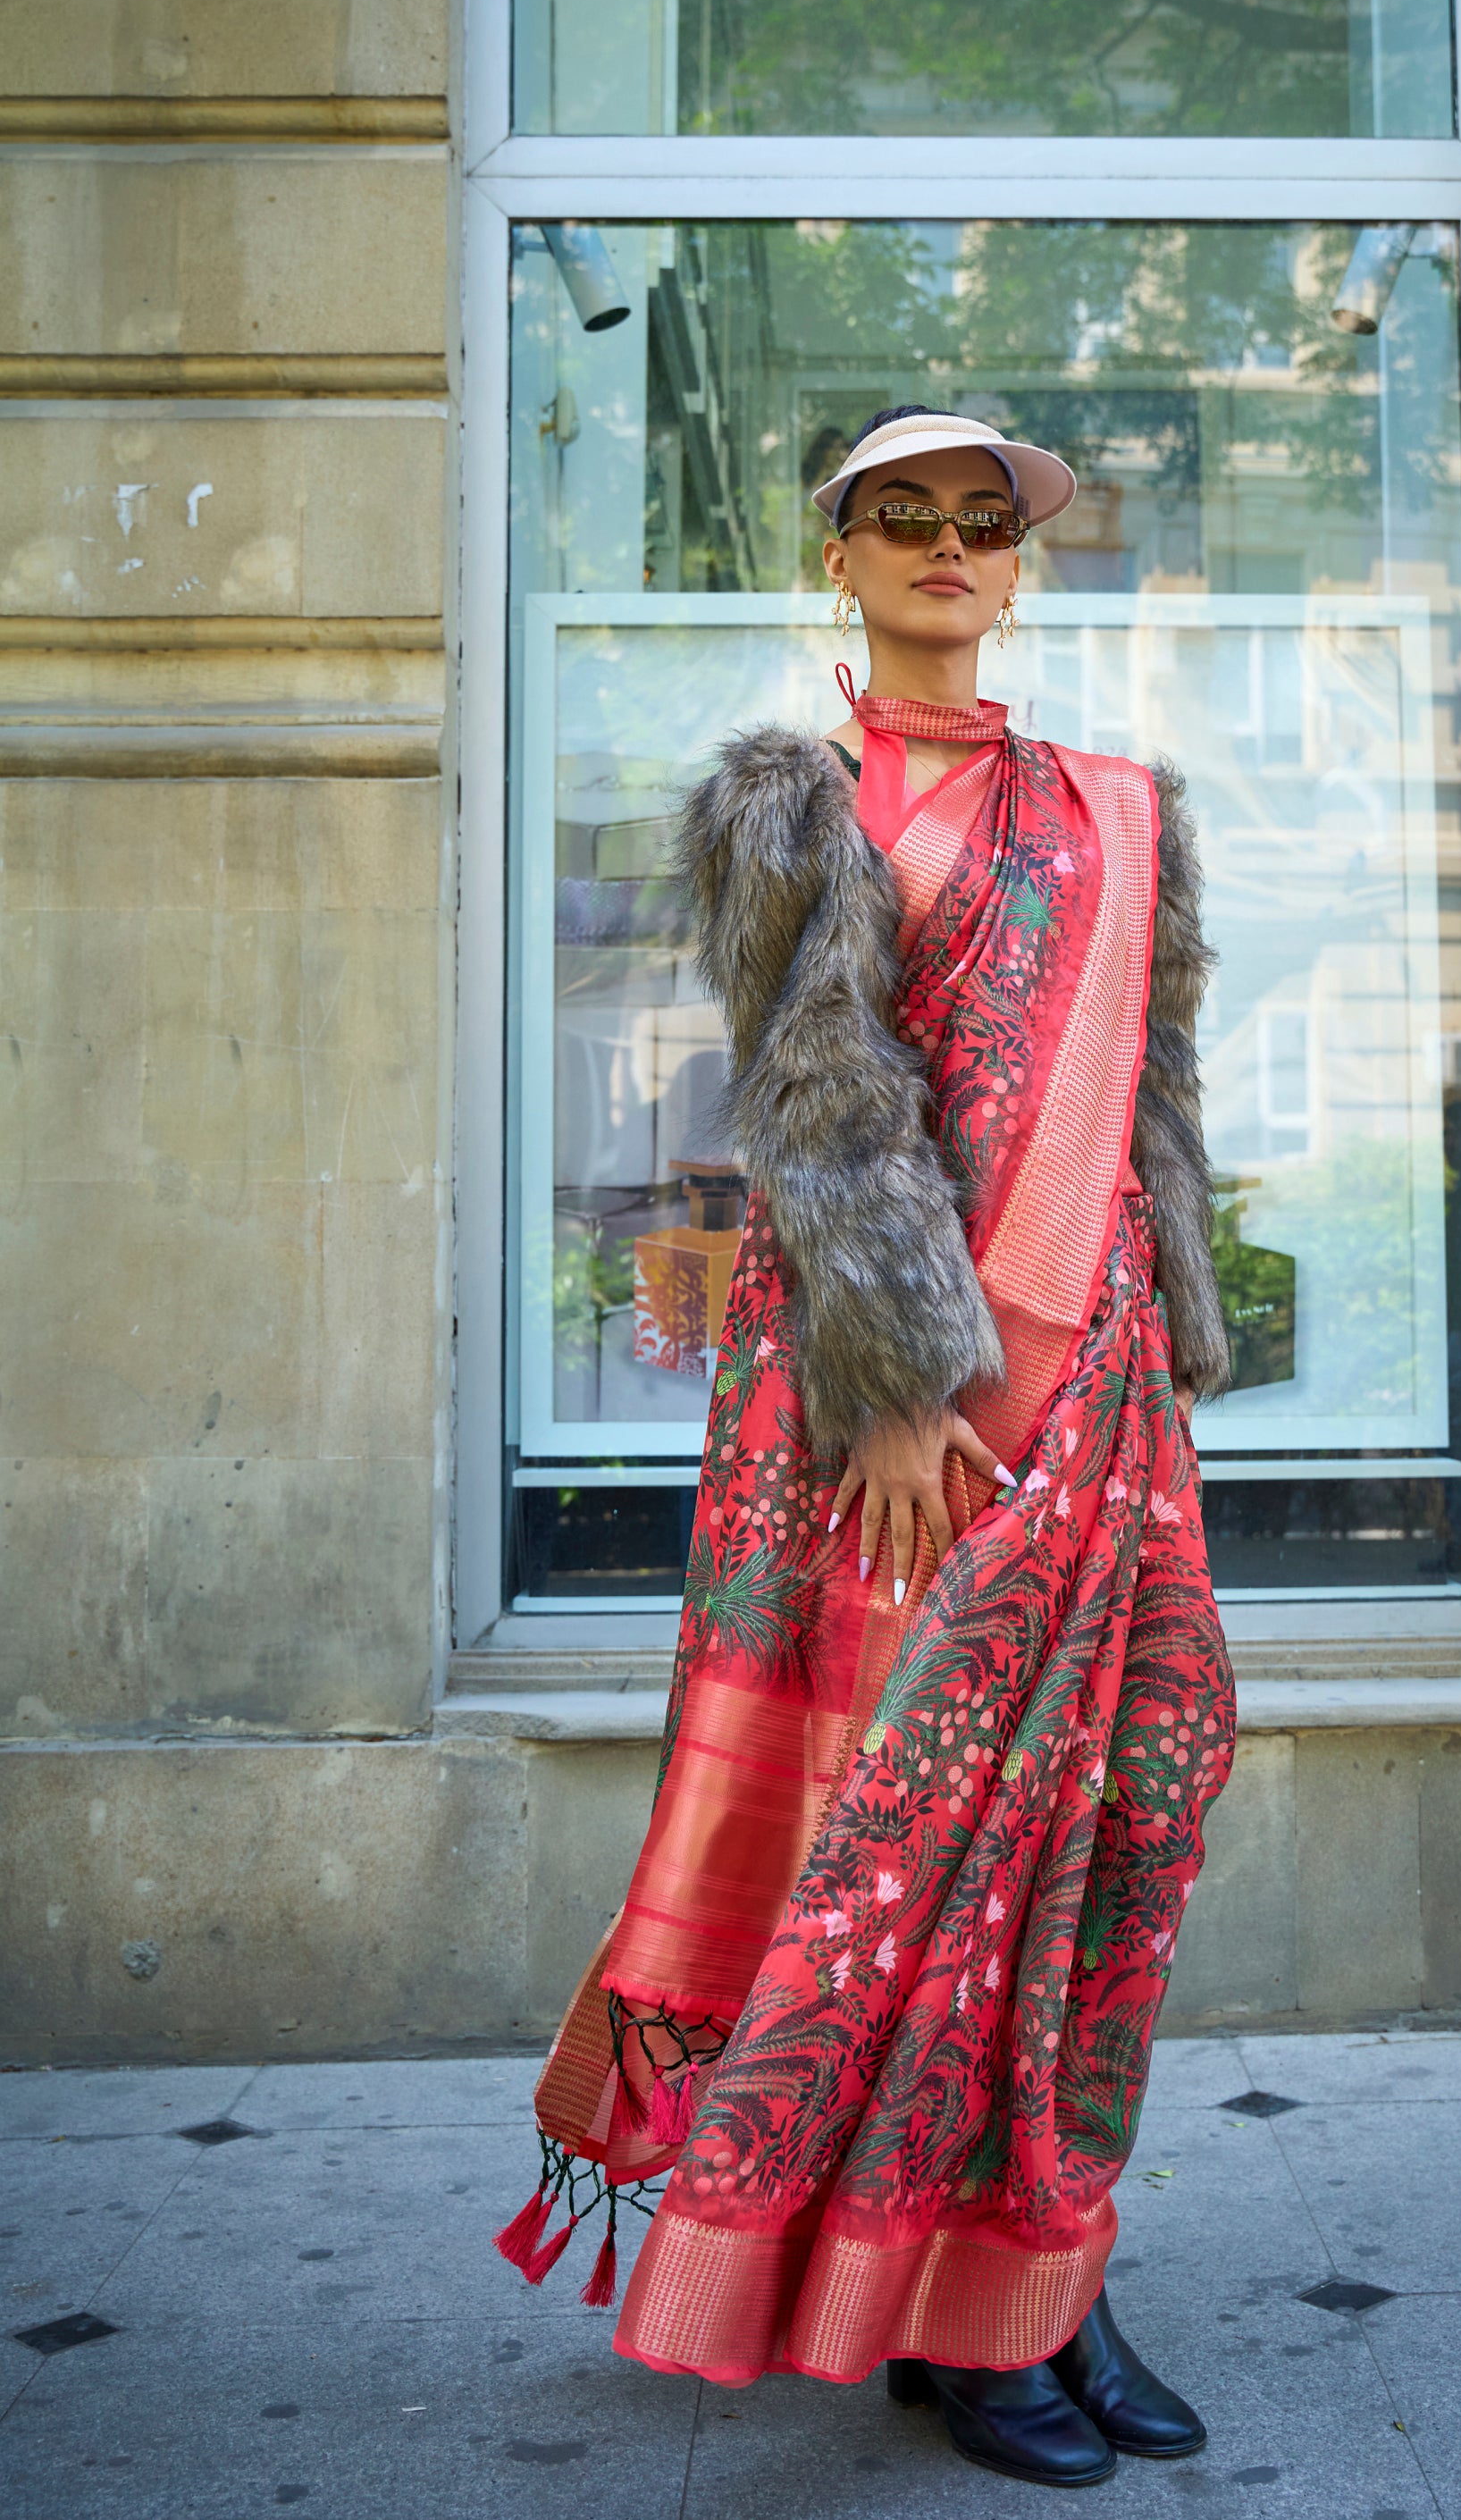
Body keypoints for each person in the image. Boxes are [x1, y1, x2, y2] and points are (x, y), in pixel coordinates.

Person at [497, 406, 1236, 2490]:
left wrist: (1158, 1356)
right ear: (838, 555)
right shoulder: (788, 799)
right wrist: (906, 1382)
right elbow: (815, 1100)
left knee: (1108, 1830)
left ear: (1018, 568)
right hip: (885, 1403)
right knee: (915, 1860)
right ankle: (940, 2308)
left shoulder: (1118, 803)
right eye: (895, 515)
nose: (938, 544)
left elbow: (1153, 1102)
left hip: (1094, 1401)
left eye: (975, 522)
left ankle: (1039, 2268)